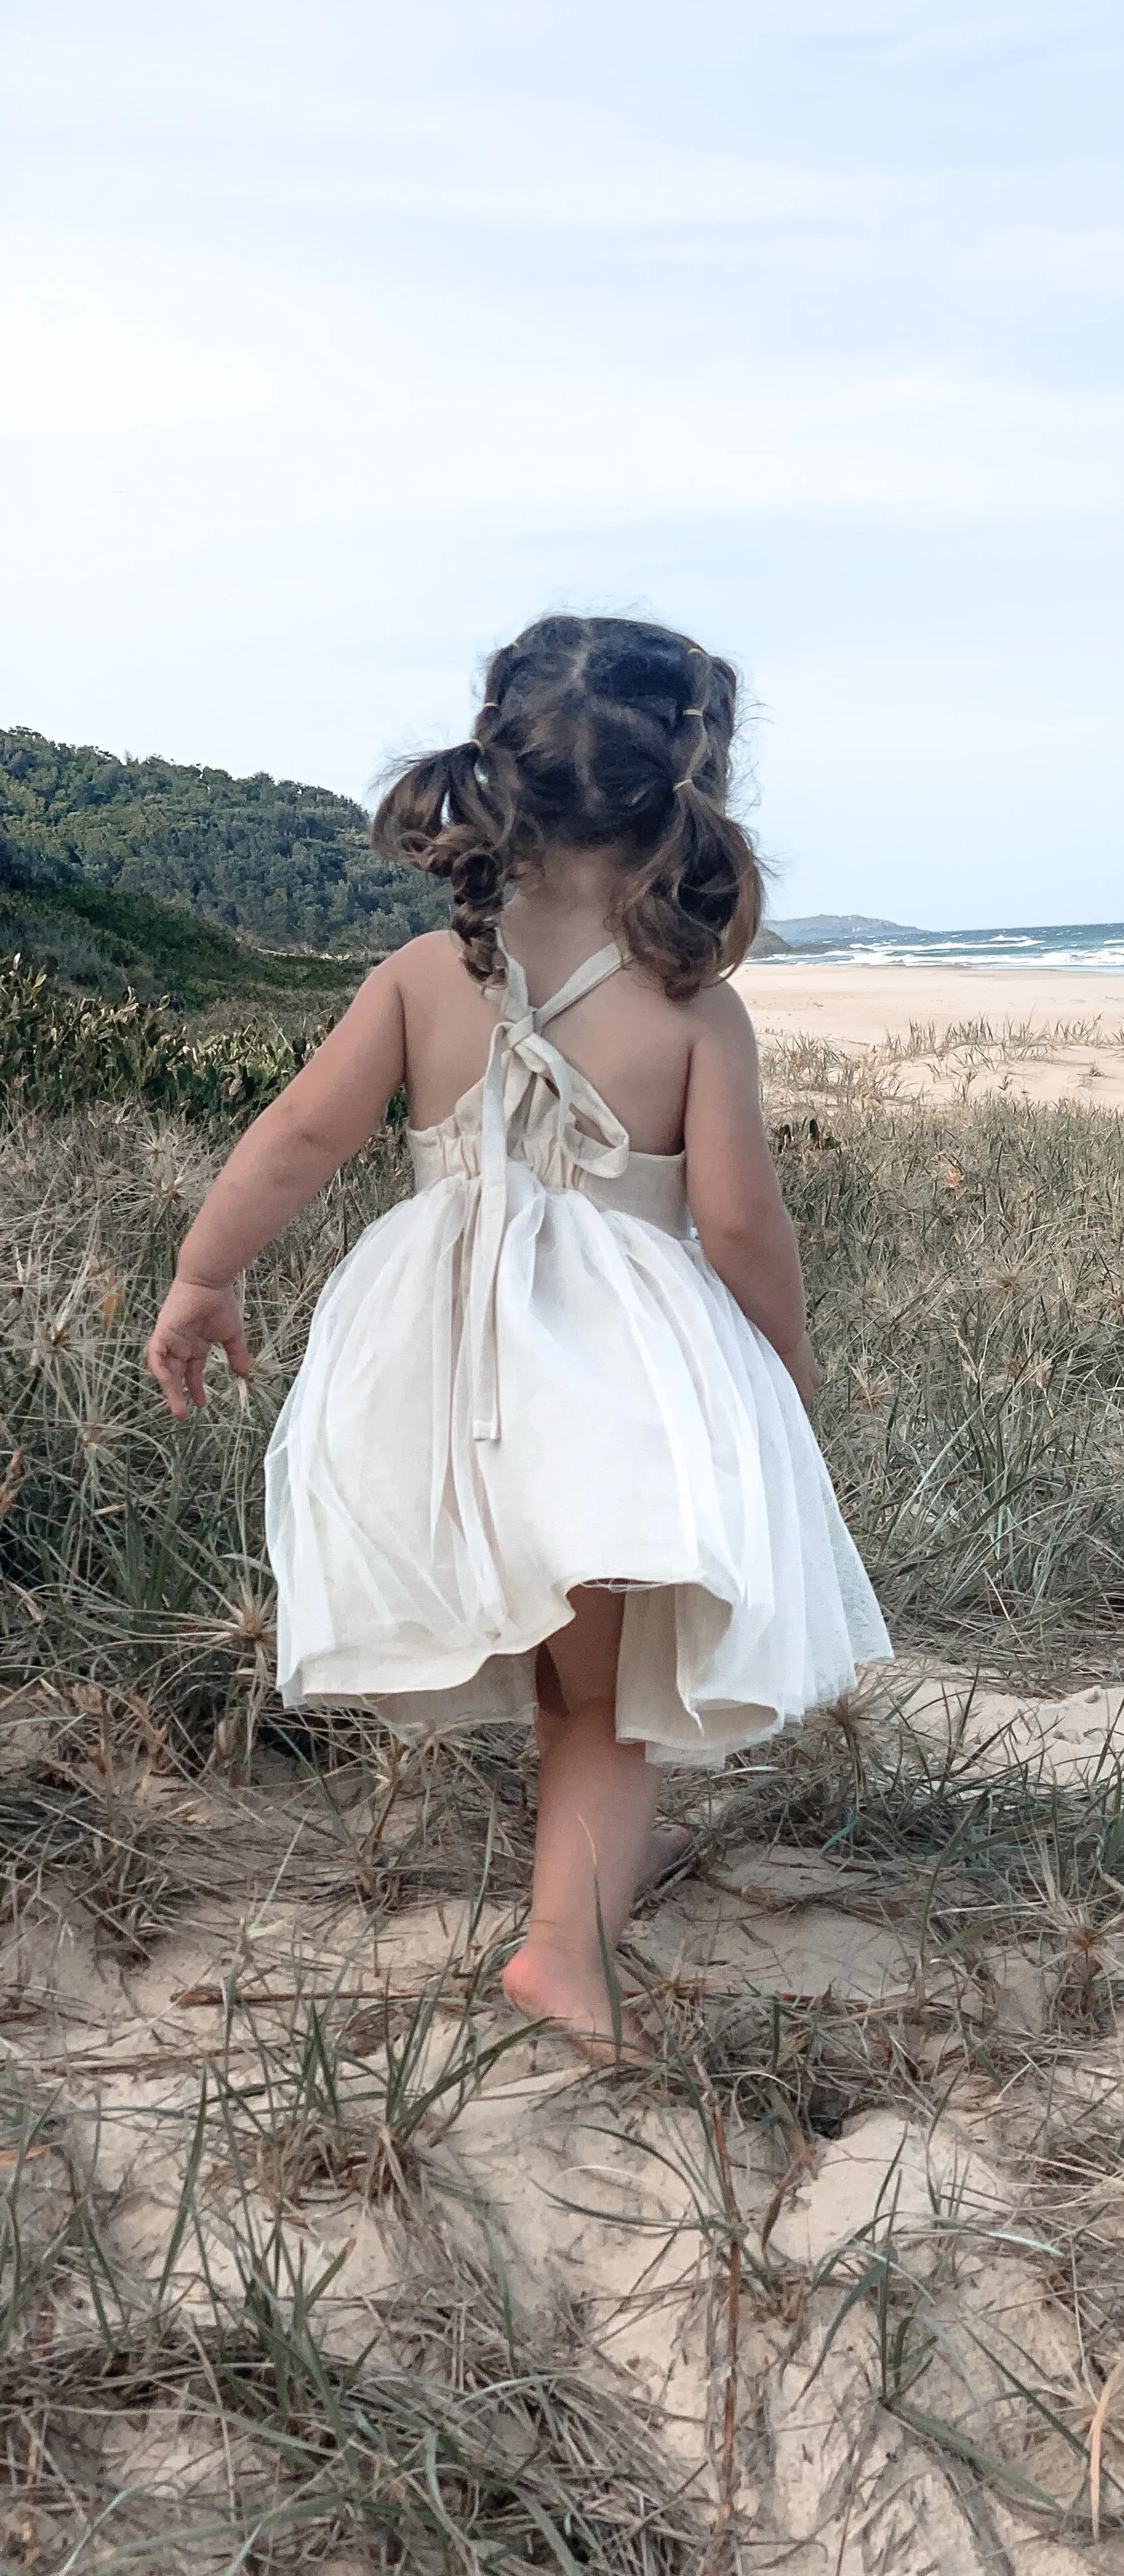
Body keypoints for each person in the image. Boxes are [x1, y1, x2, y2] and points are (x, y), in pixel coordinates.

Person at [145, 615, 890, 2056]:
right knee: (607, 1693)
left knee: (564, 1667)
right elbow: (741, 1229)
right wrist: (782, 1379)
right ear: (686, 790)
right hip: (605, 1382)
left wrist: (203, 1276)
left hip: (433, 1368)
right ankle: (564, 1949)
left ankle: (584, 1869)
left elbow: (302, 1137)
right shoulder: (694, 1007)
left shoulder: (431, 973)